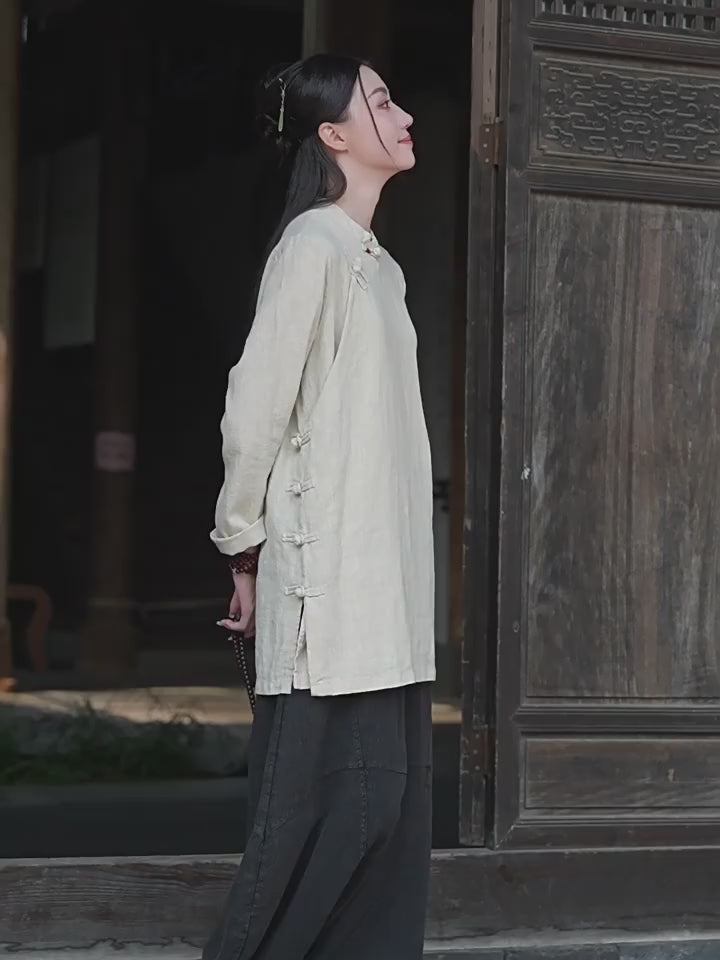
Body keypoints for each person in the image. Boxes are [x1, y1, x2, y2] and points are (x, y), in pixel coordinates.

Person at [203, 53, 436, 960]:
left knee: (383, 834)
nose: (404, 116)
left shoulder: (380, 267)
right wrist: (244, 547)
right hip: (327, 604)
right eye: (382, 102)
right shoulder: (312, 248)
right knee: (314, 835)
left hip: (384, 601)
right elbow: (255, 407)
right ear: (334, 134)